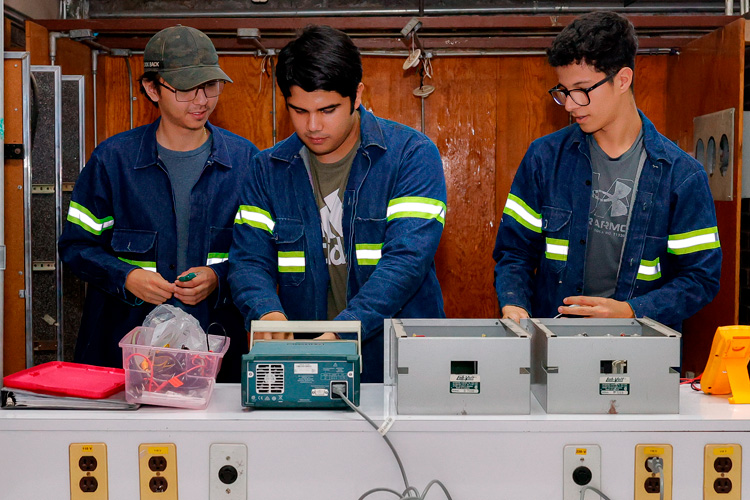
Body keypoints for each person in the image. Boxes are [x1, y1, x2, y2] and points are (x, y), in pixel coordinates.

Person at [229, 25, 447, 383]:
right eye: (299, 110)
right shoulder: (267, 169)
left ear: (357, 95)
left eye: (327, 109)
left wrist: (341, 332)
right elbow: (249, 261)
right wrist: (267, 313)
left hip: (399, 365)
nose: (313, 125)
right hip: (306, 365)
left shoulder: (411, 155)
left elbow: (406, 263)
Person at [493, 12, 721, 329]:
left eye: (582, 89)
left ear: (622, 79)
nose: (570, 104)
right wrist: (514, 304)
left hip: (640, 346)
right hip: (554, 342)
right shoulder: (544, 158)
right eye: (563, 90)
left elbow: (700, 278)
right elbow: (514, 251)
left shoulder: (681, 176)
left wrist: (631, 311)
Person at [59, 25, 258, 381]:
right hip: (125, 348)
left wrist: (218, 276)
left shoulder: (245, 162)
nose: (201, 100)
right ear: (153, 89)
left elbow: (261, 253)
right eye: (186, 89)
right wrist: (127, 276)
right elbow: (76, 246)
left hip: (214, 350)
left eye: (210, 86)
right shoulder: (113, 161)